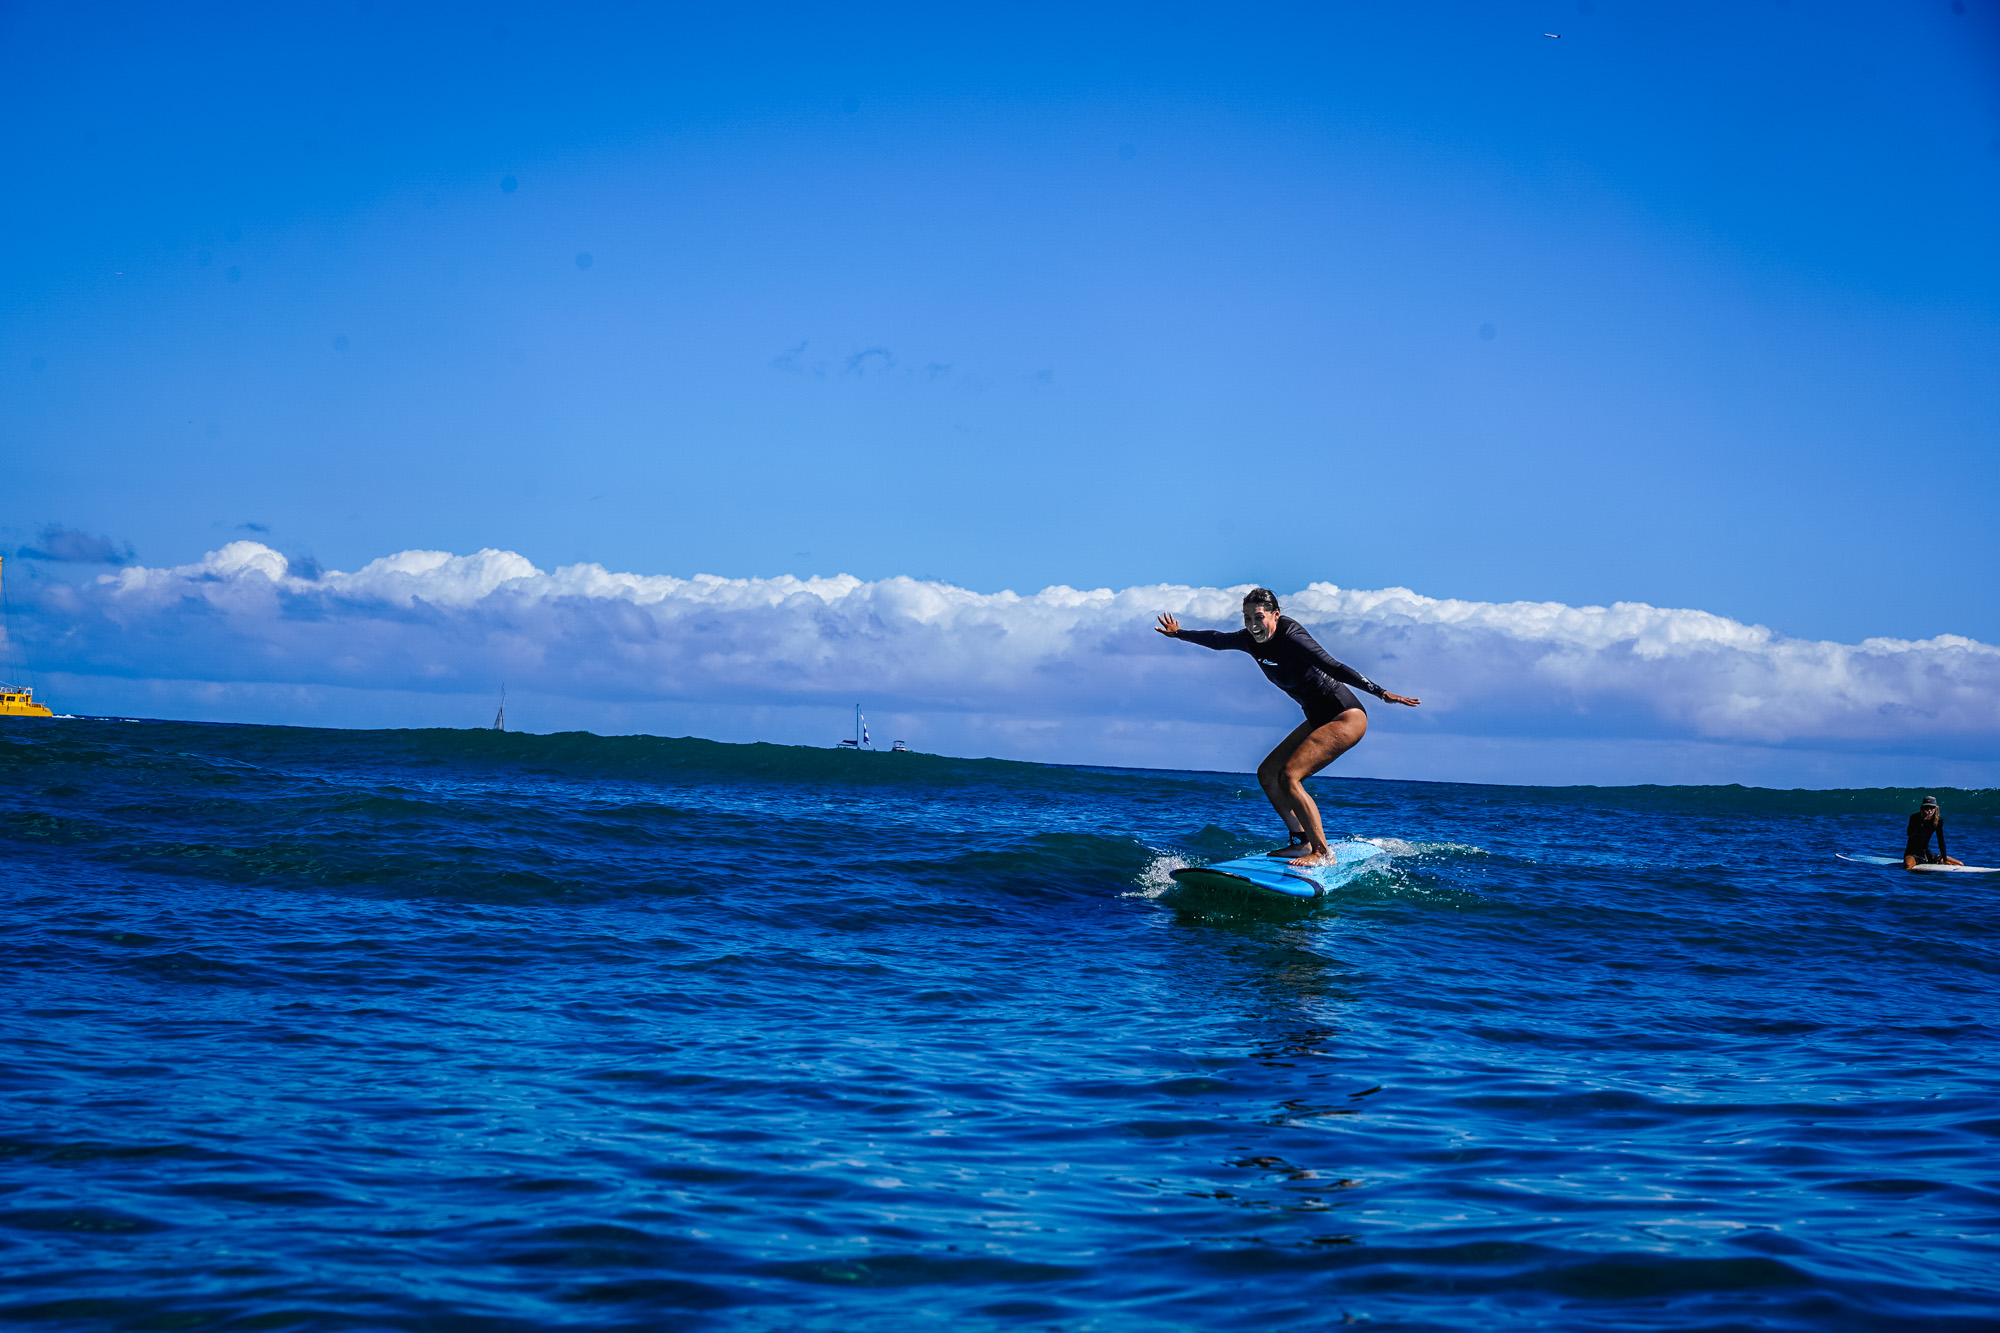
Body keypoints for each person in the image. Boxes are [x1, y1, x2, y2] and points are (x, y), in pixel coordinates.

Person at [1156, 587, 1419, 865]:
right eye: (1246, 618)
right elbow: (1217, 639)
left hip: (1346, 715)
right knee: (1268, 773)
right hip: (1318, 718)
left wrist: (1380, 692)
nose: (1253, 625)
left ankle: (1321, 852)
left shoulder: (1292, 636)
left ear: (1276, 615)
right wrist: (1179, 633)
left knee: (1291, 776)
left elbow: (1334, 666)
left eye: (1259, 617)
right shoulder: (1249, 640)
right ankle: (1302, 842)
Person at [1904, 795, 1962, 870]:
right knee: (1908, 866)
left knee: (1960, 864)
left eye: (1932, 808)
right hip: (1912, 853)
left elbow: (1940, 840)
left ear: (1935, 808)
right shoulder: (1914, 817)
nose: (1929, 810)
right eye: (1926, 808)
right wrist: (1922, 821)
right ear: (1922, 808)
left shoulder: (1938, 821)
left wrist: (1945, 859)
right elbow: (1909, 833)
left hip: (1927, 854)